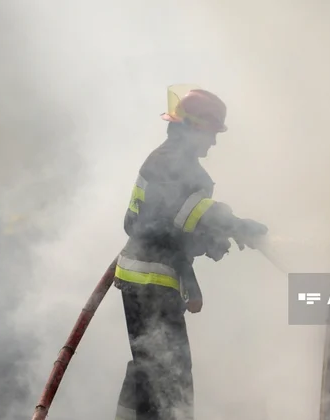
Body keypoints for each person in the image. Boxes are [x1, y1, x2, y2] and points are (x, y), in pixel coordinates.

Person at [113, 86, 268, 420]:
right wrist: (237, 226)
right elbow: (190, 212)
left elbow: (143, 223)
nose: (213, 143)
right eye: (212, 134)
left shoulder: (161, 159)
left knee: (147, 364)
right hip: (152, 281)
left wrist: (200, 249)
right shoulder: (179, 167)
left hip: (141, 275)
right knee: (170, 378)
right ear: (196, 127)